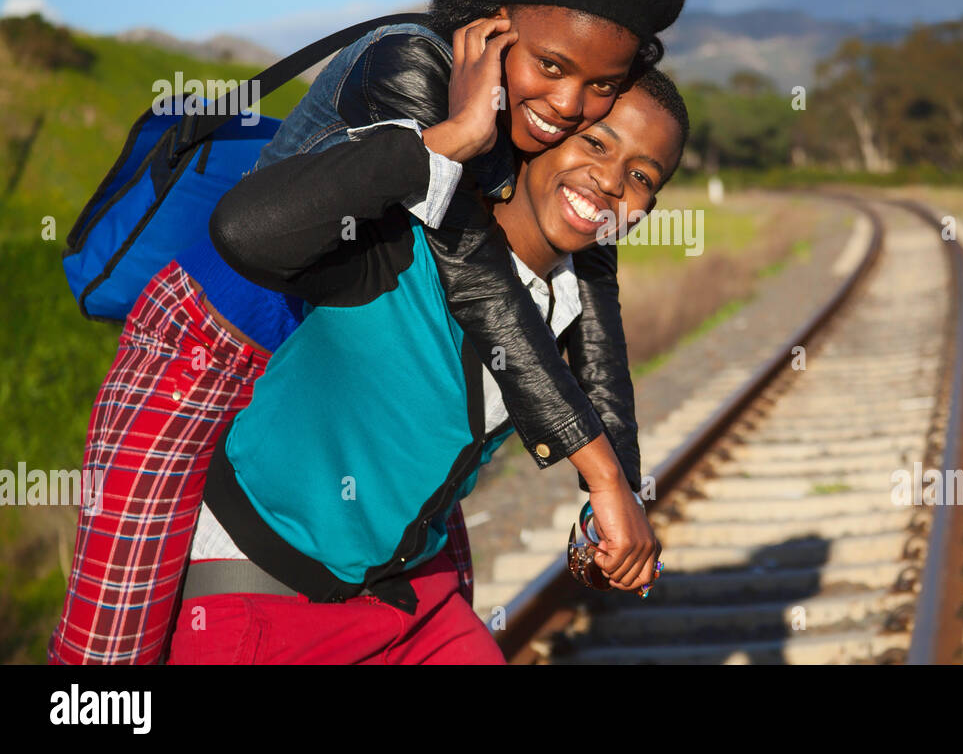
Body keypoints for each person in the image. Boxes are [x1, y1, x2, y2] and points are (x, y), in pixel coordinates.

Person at [49, 0, 694, 664]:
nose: (570, 105)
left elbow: (595, 323)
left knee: (423, 555)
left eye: (601, 85)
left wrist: (618, 491)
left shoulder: (535, 124)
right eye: (553, 66)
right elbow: (480, 286)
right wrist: (602, 477)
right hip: (209, 343)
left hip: (322, 367)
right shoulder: (414, 71)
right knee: (109, 654)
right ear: (493, 19)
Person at [167, 67, 689, 664]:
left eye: (643, 176)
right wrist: (440, 143)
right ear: (542, 132)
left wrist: (607, 531)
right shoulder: (399, 243)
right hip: (265, 594)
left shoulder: (567, 299)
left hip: (413, 601)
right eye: (596, 143)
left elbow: (603, 387)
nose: (611, 181)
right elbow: (246, 232)